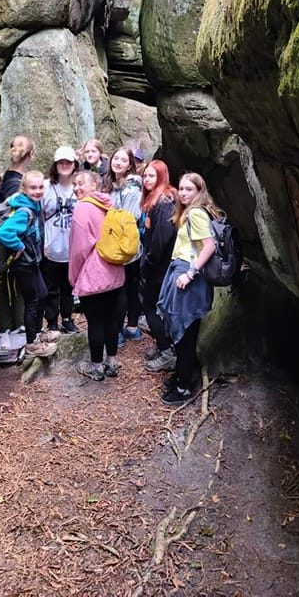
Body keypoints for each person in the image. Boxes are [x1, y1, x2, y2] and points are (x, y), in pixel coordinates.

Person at [157, 172, 221, 405]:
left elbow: (209, 246)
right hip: (182, 271)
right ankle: (183, 375)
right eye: (181, 189)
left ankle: (183, 387)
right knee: (184, 331)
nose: (183, 193)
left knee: (185, 333)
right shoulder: (190, 212)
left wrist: (190, 273)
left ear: (199, 191)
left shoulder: (195, 213)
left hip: (189, 276)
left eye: (189, 190)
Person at [69, 170, 125, 381]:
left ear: (94, 185)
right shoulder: (108, 204)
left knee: (96, 322)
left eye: (81, 183)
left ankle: (97, 367)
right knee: (111, 320)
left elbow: (79, 250)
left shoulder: (83, 208)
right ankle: (112, 361)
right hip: (115, 272)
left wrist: (73, 278)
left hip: (94, 276)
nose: (76, 187)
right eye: (74, 184)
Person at [0, 170, 57, 358]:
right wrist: (19, 246)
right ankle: (32, 344)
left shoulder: (32, 205)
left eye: (40, 188)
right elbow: (4, 233)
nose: (37, 191)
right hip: (23, 264)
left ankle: (37, 334)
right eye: (33, 188)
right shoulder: (24, 211)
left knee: (43, 294)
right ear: (24, 188)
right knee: (33, 301)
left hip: (32, 262)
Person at [0, 134, 35, 331]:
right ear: (31, 154)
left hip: (7, 244)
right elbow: (11, 220)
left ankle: (8, 334)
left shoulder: (7, 177)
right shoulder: (15, 183)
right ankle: (18, 334)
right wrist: (18, 246)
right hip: (12, 246)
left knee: (8, 289)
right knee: (15, 291)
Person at [139, 160, 178, 373]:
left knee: (151, 308)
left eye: (152, 176)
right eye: (145, 176)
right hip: (159, 266)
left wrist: (149, 262)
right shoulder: (157, 200)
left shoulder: (163, 202)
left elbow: (162, 237)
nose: (146, 180)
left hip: (159, 268)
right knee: (155, 309)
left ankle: (167, 353)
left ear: (162, 177)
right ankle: (163, 344)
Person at [102, 147, 143, 342]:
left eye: (123, 160)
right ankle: (121, 327)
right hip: (112, 244)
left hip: (127, 247)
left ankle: (126, 328)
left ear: (129, 166)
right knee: (118, 289)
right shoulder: (109, 184)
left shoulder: (132, 188)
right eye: (115, 158)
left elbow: (131, 217)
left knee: (126, 288)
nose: (118, 162)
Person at [41, 146, 79, 335]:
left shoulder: (78, 188)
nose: (64, 165)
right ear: (55, 165)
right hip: (51, 248)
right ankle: (51, 321)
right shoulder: (47, 187)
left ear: (74, 165)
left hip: (71, 250)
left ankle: (67, 318)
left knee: (68, 288)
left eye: (68, 162)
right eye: (61, 162)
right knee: (50, 288)